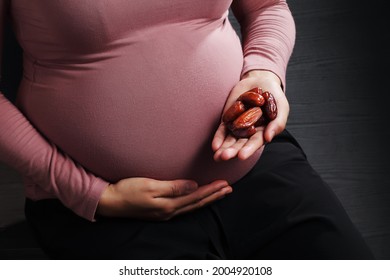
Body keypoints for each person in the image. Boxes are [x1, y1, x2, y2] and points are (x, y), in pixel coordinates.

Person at [0, 0, 374, 259]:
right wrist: (92, 194)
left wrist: (265, 72)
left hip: (249, 162)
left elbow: (266, 7)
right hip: (98, 204)